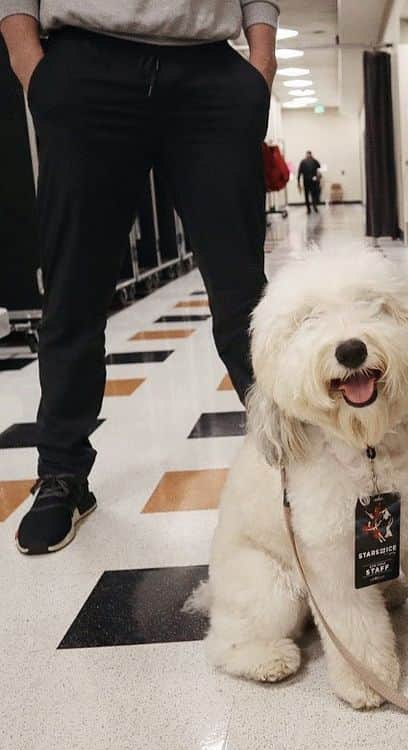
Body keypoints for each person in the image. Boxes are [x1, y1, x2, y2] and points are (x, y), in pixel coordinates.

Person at [2, 0, 278, 555]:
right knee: (73, 289)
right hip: (84, 65)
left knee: (242, 289)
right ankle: (63, 475)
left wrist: (261, 64)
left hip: (210, 71)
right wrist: (34, 69)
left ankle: (293, 457)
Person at [297, 149, 321, 213]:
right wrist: (298, 182)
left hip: (310, 181)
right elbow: (299, 172)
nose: (308, 156)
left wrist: (298, 181)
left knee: (310, 195)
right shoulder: (307, 161)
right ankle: (311, 208)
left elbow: (319, 168)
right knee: (311, 195)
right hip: (309, 181)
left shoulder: (312, 161)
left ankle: (311, 208)